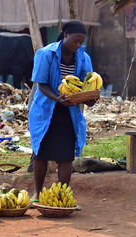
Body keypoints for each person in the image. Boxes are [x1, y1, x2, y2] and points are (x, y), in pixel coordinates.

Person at [28, 20, 99, 203]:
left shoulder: (84, 58)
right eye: (75, 40)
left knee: (66, 155)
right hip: (46, 110)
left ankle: (62, 195)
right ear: (65, 35)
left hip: (70, 112)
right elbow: (41, 84)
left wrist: (90, 99)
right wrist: (58, 98)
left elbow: (87, 85)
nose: (78, 45)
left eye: (81, 42)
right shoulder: (46, 54)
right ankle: (37, 192)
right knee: (41, 153)